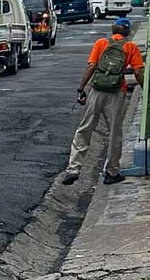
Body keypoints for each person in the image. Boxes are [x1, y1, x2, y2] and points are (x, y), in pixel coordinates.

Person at [61, 16, 144, 186]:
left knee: (84, 129)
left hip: (96, 90)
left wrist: (81, 88)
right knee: (114, 133)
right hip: (116, 93)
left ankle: (74, 168)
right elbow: (138, 72)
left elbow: (91, 66)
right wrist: (145, 88)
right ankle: (111, 172)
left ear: (113, 30)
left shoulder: (101, 43)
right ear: (127, 32)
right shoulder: (131, 47)